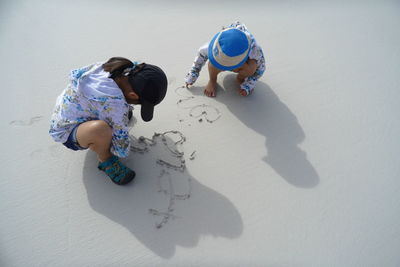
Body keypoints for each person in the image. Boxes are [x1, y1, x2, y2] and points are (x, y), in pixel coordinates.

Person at [49, 57, 167, 185]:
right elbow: (121, 151)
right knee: (101, 131)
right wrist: (117, 133)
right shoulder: (115, 105)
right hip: (67, 131)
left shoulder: (119, 68)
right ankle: (105, 160)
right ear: (132, 95)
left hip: (70, 110)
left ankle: (106, 123)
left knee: (114, 116)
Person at [185, 21, 266, 97]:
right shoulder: (214, 46)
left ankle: (240, 78)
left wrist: (250, 84)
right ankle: (212, 80)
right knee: (212, 64)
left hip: (243, 61)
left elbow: (260, 70)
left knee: (252, 67)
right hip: (229, 47)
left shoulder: (255, 50)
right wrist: (193, 74)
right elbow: (200, 55)